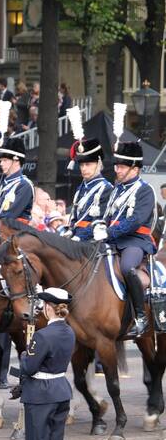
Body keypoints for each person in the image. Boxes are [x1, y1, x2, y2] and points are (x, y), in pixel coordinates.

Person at [97, 140, 156, 337]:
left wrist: (109, 233)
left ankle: (140, 317)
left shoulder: (145, 190)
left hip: (135, 241)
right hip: (112, 241)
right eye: (116, 166)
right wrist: (99, 227)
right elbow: (108, 216)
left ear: (134, 168)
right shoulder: (117, 189)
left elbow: (135, 220)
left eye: (121, 167)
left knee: (127, 268)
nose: (117, 170)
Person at [19, 287, 75, 440]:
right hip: (60, 390)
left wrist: (24, 354)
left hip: (40, 395)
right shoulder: (70, 332)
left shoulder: (42, 335)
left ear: (48, 307)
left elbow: (29, 367)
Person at [68, 138, 113, 242]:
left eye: (88, 164)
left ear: (98, 164)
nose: (83, 168)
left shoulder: (106, 188)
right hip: (76, 235)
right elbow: (75, 217)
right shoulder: (81, 188)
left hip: (93, 238)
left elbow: (101, 220)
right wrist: (70, 230)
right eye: (81, 165)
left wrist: (79, 237)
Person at [0, 137, 34, 231]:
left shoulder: (24, 185)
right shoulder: (5, 183)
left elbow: (11, 214)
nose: (1, 164)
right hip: (3, 229)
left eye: (5, 160)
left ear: (16, 161)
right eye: (1, 161)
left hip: (17, 232)